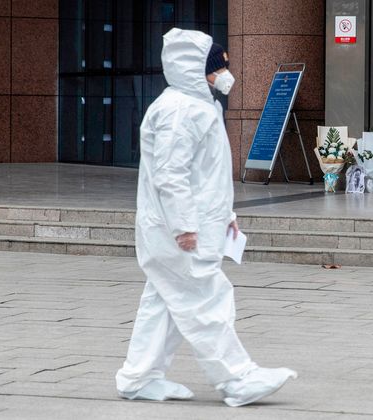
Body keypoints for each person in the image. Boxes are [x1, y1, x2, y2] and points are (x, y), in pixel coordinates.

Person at [115, 28, 296, 407]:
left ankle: (139, 377)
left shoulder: (198, 106)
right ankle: (237, 378)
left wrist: (225, 214)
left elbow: (205, 174)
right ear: (197, 70)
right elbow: (170, 174)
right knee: (206, 299)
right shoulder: (180, 111)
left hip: (192, 226)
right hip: (179, 232)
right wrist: (184, 227)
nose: (225, 73)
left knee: (164, 302)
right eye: (218, 67)